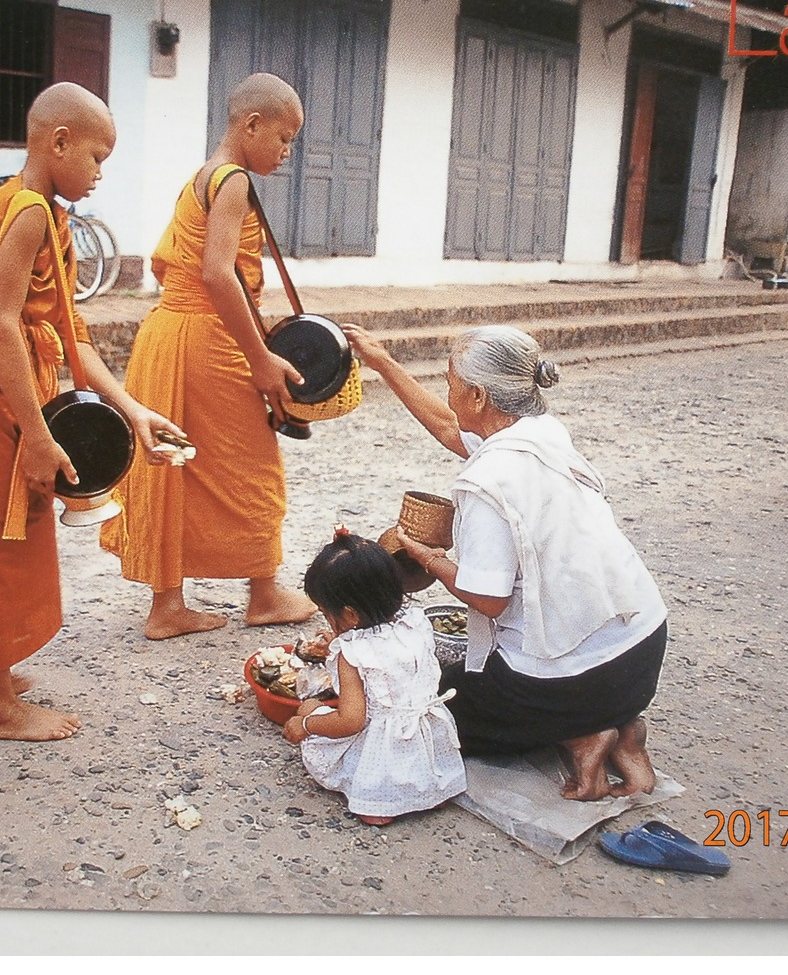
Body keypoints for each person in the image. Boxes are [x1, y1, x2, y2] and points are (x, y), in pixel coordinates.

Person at [0, 82, 183, 741]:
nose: (98, 173)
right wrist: (34, 433)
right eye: (94, 156)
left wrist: (132, 409)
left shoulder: (44, 212)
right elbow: (1, 323)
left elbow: (71, 335)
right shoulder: (28, 210)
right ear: (57, 142)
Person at [347, 323, 668, 802]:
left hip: (570, 683)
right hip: (641, 652)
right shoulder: (542, 431)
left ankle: (582, 734)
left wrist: (428, 558)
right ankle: (619, 724)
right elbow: (447, 427)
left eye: (451, 384)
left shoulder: (486, 480)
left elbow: (487, 600)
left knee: (418, 712)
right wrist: (383, 362)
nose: (448, 393)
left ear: (477, 396)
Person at [99, 72, 317, 639]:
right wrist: (261, 358)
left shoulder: (201, 177)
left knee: (175, 463)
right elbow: (219, 275)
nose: (287, 152)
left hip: (169, 333)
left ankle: (166, 605)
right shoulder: (235, 181)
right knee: (252, 465)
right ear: (251, 125)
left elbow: (169, 266)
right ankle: (263, 594)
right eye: (284, 137)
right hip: (207, 338)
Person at [282, 529, 467, 826]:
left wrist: (305, 724)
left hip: (385, 745)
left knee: (309, 709)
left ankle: (380, 800)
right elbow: (388, 661)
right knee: (430, 776)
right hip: (425, 733)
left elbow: (350, 721)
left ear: (351, 616)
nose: (327, 621)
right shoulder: (414, 625)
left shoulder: (351, 654)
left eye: (327, 614)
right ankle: (432, 788)